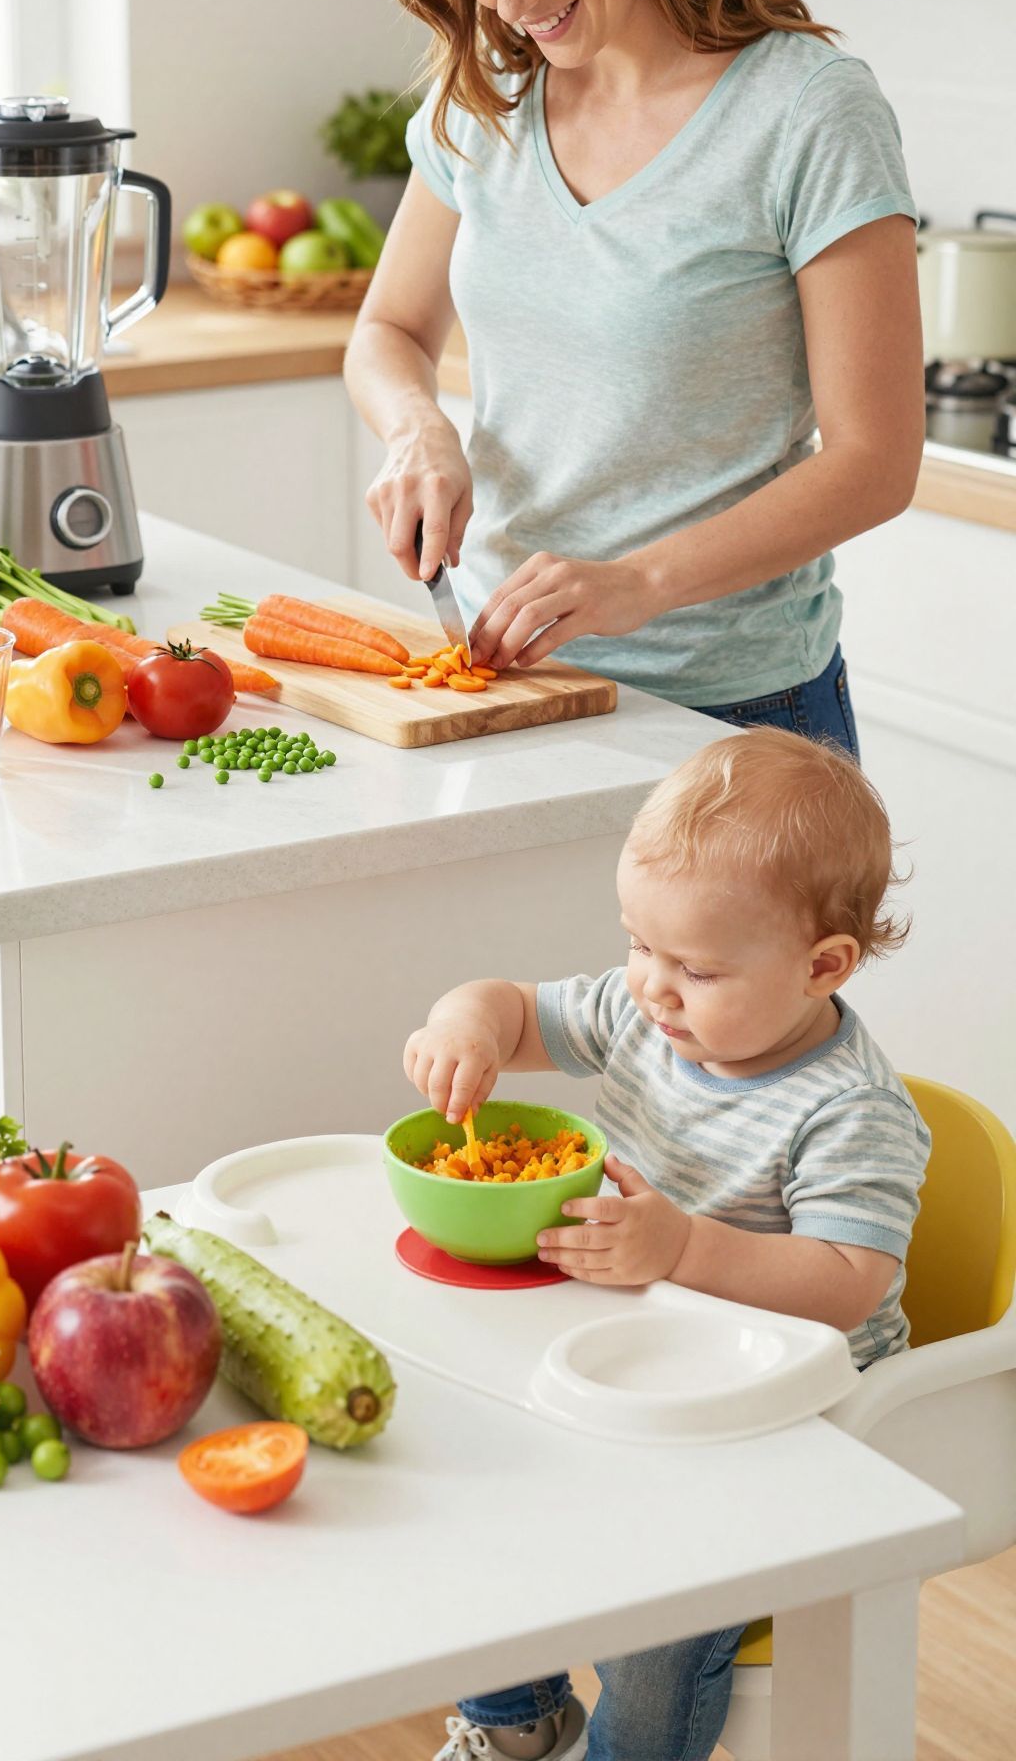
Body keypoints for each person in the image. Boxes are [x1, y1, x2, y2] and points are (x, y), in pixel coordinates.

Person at [344, 0, 925, 760]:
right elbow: (388, 326)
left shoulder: (805, 112)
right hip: (506, 683)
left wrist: (634, 584)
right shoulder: (483, 97)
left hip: (732, 716)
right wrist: (416, 429)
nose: (509, 3)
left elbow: (878, 461)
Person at [403, 726, 931, 1761]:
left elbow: (847, 1281)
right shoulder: (652, 1014)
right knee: (477, 1511)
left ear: (823, 965)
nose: (650, 983)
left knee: (657, 1633)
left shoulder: (850, 1109)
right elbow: (513, 1010)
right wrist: (463, 1024)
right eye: (638, 943)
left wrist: (682, 1246)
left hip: (784, 1424)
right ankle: (519, 1726)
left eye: (692, 965)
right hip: (635, 1371)